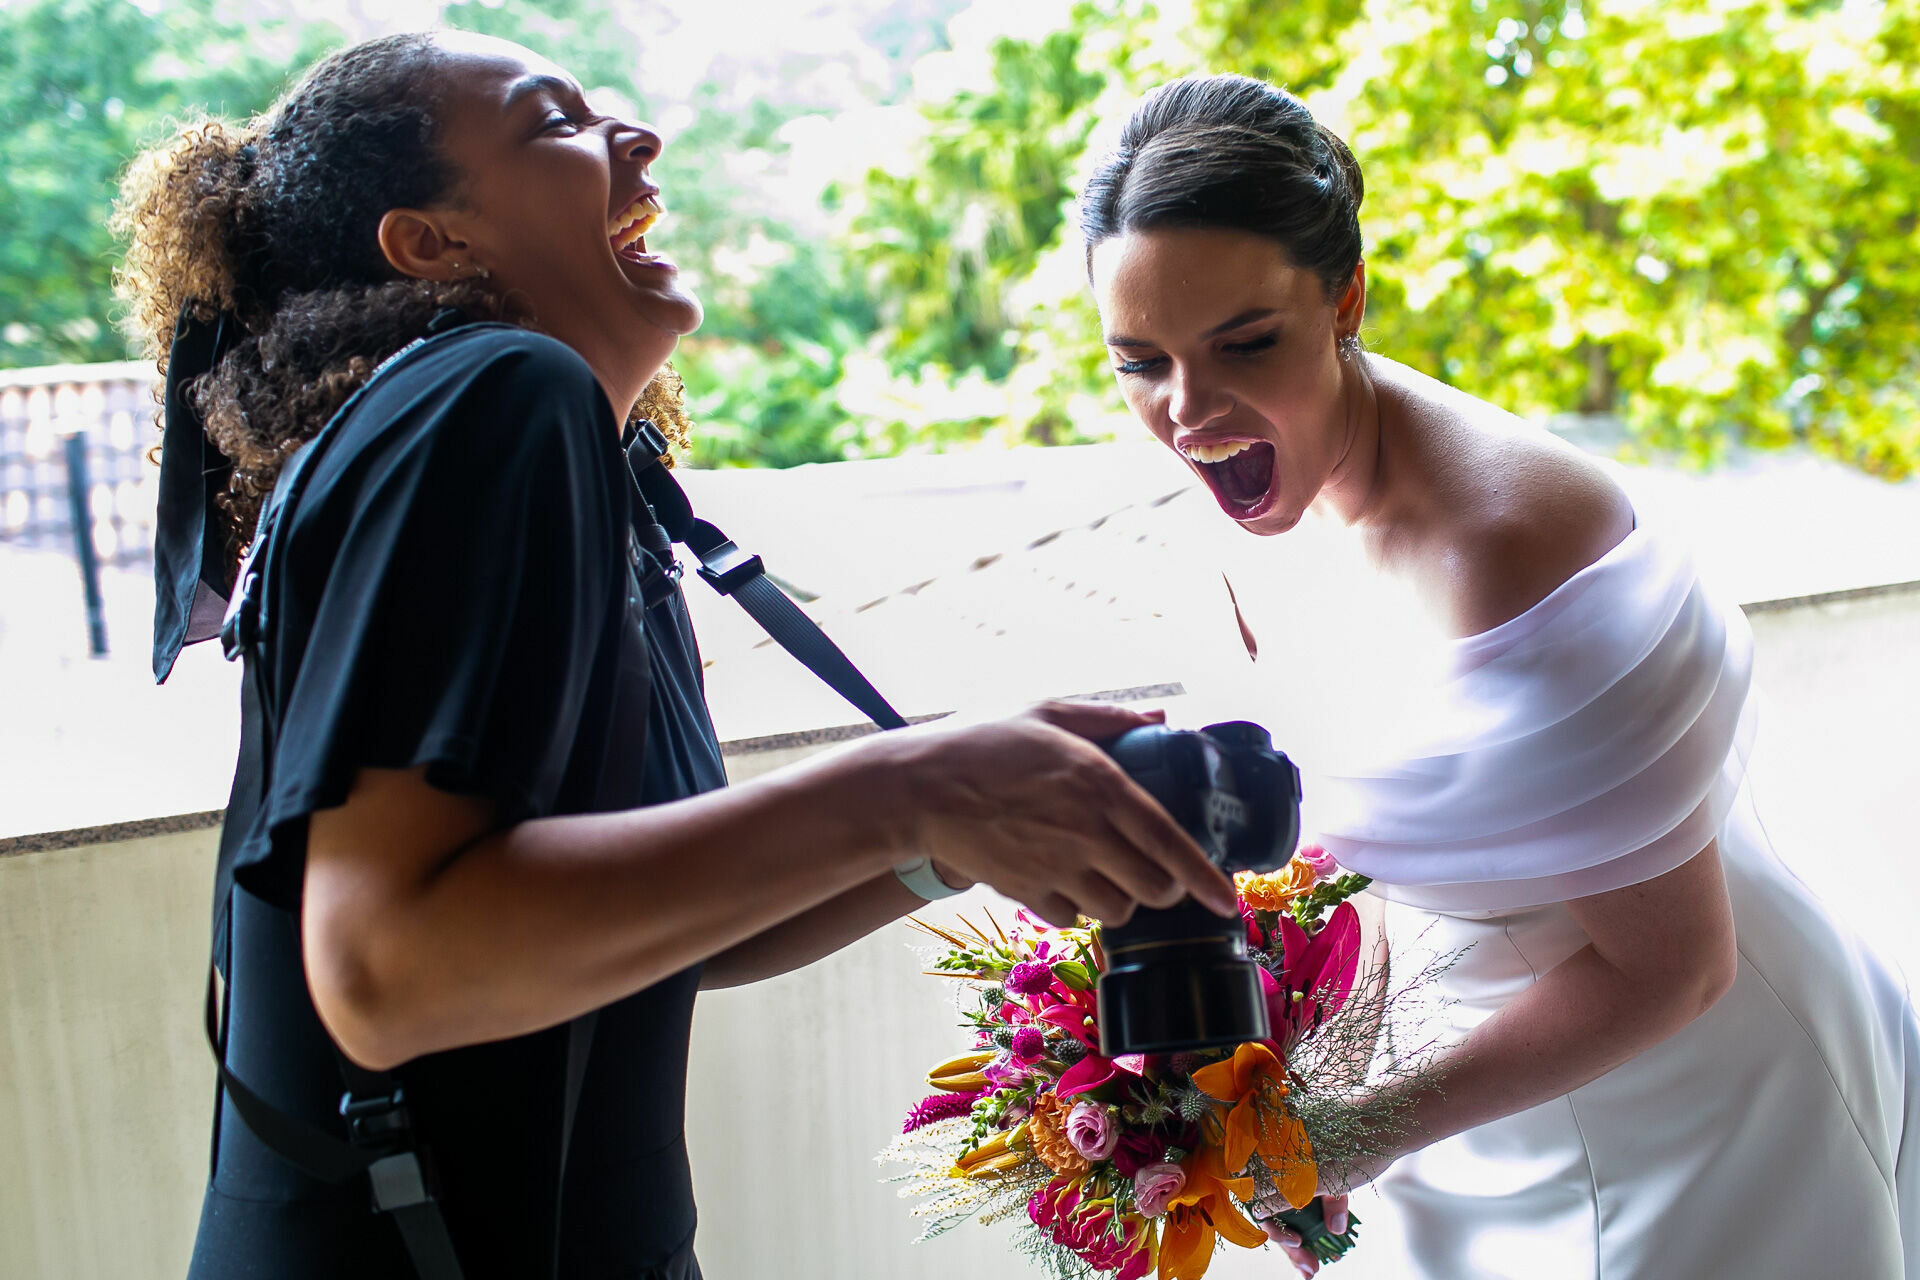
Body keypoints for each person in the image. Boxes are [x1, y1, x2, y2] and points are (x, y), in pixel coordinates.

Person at [113, 32, 1242, 1280]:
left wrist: (952, 830)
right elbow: (387, 968)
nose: (635, 139)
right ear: (428, 242)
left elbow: (668, 927)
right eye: (555, 124)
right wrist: (919, 787)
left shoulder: (571, 463)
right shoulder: (497, 393)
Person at [1078, 72, 1920, 1279]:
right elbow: (1357, 863)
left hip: (1697, 1083)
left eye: (1243, 345)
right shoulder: (1254, 496)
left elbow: (1678, 963)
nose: (1188, 410)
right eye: (1138, 362)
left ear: (1345, 301)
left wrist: (1348, 1132)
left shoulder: (1505, 548)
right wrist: (1285, 1099)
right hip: (1487, 1075)